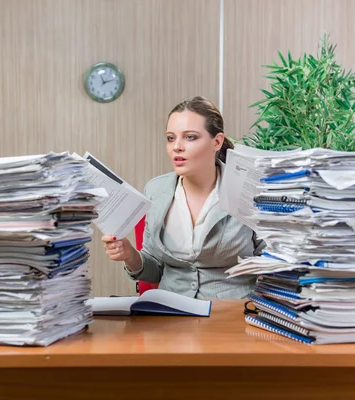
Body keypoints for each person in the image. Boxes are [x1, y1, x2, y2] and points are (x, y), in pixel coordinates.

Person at [102, 96, 264, 299]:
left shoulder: (247, 189)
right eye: (171, 138)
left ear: (217, 142)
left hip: (232, 314)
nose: (177, 146)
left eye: (190, 137)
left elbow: (275, 261)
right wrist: (129, 255)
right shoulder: (156, 189)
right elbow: (155, 270)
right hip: (170, 314)